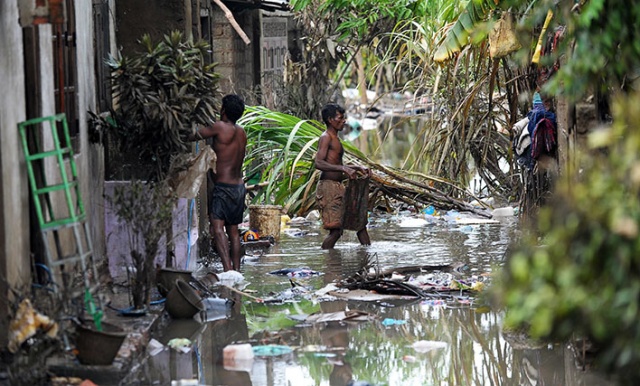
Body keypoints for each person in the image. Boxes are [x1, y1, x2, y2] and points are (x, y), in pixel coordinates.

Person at [190, 94, 247, 271]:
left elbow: (193, 136)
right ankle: (236, 271)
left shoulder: (219, 127)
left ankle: (227, 270)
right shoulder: (241, 132)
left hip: (223, 187)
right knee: (234, 232)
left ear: (223, 110)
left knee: (217, 228)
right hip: (238, 187)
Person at [315, 103, 371, 249]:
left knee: (360, 225)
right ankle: (328, 261)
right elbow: (319, 163)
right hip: (328, 188)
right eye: (340, 118)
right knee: (336, 231)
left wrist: (357, 167)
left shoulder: (335, 138)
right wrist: (343, 168)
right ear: (330, 119)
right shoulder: (326, 137)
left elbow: (335, 163)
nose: (344, 121)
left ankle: (368, 256)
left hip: (337, 187)